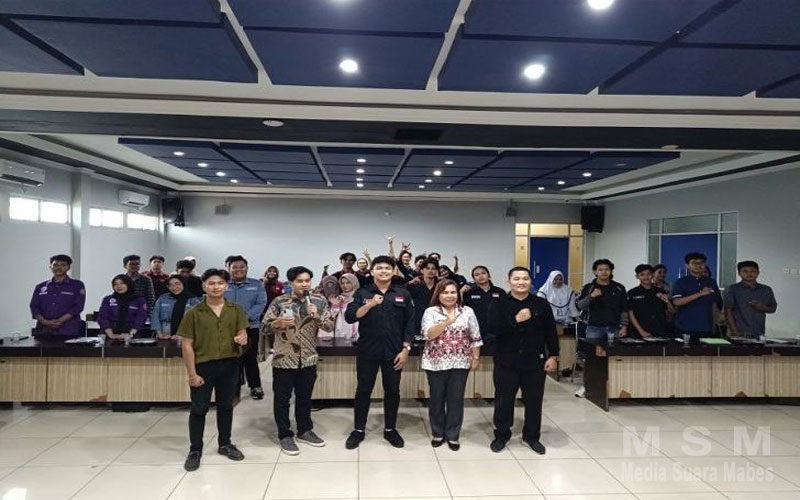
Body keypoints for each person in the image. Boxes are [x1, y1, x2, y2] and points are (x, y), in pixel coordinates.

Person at [178, 268, 248, 471]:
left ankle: (225, 443)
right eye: (211, 283)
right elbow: (187, 345)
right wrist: (192, 374)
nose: (216, 287)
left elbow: (243, 335)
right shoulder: (194, 313)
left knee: (226, 406)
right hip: (203, 366)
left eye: (220, 283)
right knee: (199, 408)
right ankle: (195, 449)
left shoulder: (236, 310)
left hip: (229, 365)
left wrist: (243, 338)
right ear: (204, 286)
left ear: (226, 286)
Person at [344, 255, 415, 450]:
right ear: (372, 271)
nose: (384, 271)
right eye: (379, 268)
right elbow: (350, 316)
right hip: (368, 350)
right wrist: (369, 304)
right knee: (363, 390)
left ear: (393, 271)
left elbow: (410, 323)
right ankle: (358, 430)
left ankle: (390, 429)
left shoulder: (403, 294)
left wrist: (406, 349)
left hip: (394, 352)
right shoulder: (363, 292)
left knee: (392, 391)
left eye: (387, 268)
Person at [263, 266, 333, 455]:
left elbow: (329, 326)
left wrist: (316, 315)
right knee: (282, 399)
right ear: (291, 283)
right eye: (300, 281)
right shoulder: (280, 301)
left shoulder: (319, 301)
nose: (304, 284)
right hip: (284, 357)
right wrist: (277, 323)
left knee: (305, 397)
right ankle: (285, 434)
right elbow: (264, 328)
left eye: (307, 281)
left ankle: (304, 430)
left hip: (308, 357)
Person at [488, 267, 558, 454]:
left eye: (525, 278)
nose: (521, 282)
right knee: (503, 400)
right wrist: (516, 320)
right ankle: (502, 434)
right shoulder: (499, 303)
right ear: (509, 281)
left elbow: (551, 331)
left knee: (534, 401)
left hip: (534, 361)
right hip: (506, 361)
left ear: (530, 281)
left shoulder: (541, 304)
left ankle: (531, 436)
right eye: (516, 279)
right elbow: (492, 330)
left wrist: (553, 355)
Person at [421, 279, 482, 450]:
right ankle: (438, 432)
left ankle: (453, 434)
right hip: (435, 363)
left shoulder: (467, 311)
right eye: (445, 292)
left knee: (456, 399)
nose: (449, 296)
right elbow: (429, 335)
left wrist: (476, 357)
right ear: (438, 294)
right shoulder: (430, 312)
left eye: (453, 292)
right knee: (436, 398)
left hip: (460, 362)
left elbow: (475, 336)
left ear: (458, 294)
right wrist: (447, 321)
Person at [224, 255, 268, 400]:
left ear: (247, 268)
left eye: (242, 267)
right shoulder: (223, 285)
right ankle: (233, 386)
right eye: (234, 267)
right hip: (227, 327)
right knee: (231, 358)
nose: (238, 269)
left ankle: (255, 386)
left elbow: (261, 303)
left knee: (250, 357)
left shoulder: (257, 285)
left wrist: (243, 319)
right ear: (228, 269)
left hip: (251, 326)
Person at [30, 254, 86, 337]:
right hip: (44, 329)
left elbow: (78, 307)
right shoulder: (41, 287)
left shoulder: (77, 285)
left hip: (68, 329)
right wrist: (45, 322)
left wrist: (58, 321)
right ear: (50, 267)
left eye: (63, 265)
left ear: (68, 268)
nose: (58, 268)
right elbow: (34, 306)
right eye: (55, 265)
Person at [671, 252, 723, 339]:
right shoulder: (681, 282)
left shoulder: (711, 282)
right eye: (694, 263)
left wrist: (714, 325)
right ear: (687, 265)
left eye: (701, 263)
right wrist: (700, 294)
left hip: (706, 327)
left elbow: (715, 304)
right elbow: (677, 302)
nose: (698, 265)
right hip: (685, 326)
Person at [576, 259, 628, 343]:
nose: (604, 272)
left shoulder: (619, 287)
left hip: (614, 327)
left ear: (611, 271)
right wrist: (591, 296)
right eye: (600, 270)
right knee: (592, 350)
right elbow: (579, 306)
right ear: (595, 272)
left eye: (607, 269)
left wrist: (624, 326)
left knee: (615, 350)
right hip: (594, 327)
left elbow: (624, 309)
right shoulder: (588, 287)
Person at [724, 261, 778, 339]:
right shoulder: (732, 289)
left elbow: (773, 308)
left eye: (752, 271)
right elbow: (728, 312)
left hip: (758, 332)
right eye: (745, 271)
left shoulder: (766, 289)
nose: (749, 274)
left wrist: (763, 307)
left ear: (758, 273)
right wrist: (734, 332)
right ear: (739, 273)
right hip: (738, 332)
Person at [461, 266, 506, 344]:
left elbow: (506, 310)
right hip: (476, 332)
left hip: (496, 333)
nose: (481, 276)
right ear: (473, 279)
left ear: (489, 275)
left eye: (483, 273)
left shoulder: (500, 291)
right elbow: (462, 309)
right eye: (477, 275)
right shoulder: (469, 292)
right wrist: (461, 293)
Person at [627, 265, 673, 339]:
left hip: (660, 331)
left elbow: (671, 311)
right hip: (640, 332)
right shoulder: (632, 293)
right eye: (642, 274)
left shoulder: (660, 291)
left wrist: (667, 301)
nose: (646, 277)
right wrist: (641, 331)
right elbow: (630, 314)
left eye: (648, 274)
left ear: (652, 275)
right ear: (637, 276)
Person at [97, 274, 147, 340]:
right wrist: (112, 335)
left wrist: (130, 335)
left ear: (128, 284)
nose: (119, 286)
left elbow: (140, 318)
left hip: (132, 335)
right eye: (116, 284)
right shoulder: (108, 299)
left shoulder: (139, 299)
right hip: (109, 334)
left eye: (122, 283)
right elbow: (102, 317)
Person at [151, 275, 202, 339]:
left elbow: (198, 319)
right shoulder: (163, 298)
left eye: (177, 284)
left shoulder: (192, 299)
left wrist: (182, 335)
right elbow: (155, 316)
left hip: (186, 333)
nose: (174, 287)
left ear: (183, 284)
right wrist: (159, 334)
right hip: (164, 332)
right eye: (170, 285)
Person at [408, 257, 440, 340]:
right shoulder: (414, 286)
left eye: (433, 268)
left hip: (437, 325)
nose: (430, 271)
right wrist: (409, 282)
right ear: (422, 270)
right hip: (417, 324)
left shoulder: (441, 287)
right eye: (427, 268)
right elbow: (399, 291)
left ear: (437, 271)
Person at [328, 274, 361, 341]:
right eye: (342, 283)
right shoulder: (339, 298)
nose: (345, 286)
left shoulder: (361, 297)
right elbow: (331, 317)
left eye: (348, 283)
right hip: (342, 335)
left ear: (354, 283)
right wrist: (335, 305)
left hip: (359, 334)